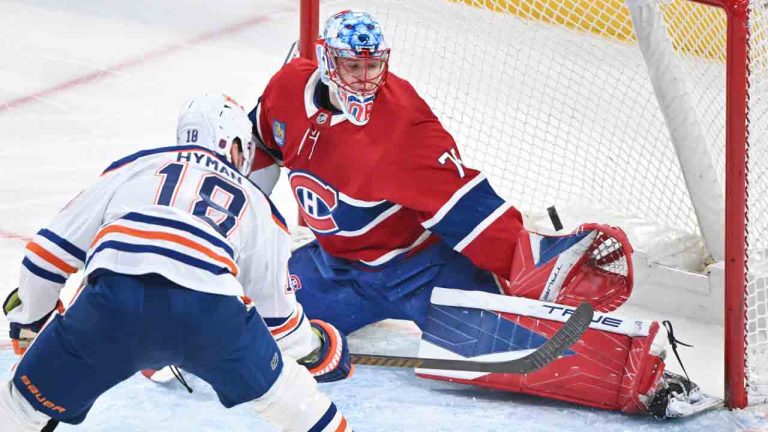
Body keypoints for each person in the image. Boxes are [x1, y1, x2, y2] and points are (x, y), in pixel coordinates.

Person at [245, 9, 710, 417]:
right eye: (353, 66)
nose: (365, 79)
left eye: (373, 66)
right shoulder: (288, 87)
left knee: (515, 350)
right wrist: (242, 239)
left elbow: (470, 209)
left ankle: (646, 378)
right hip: (336, 268)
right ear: (327, 61)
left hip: (422, 270)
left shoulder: (403, 131)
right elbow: (261, 146)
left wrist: (532, 259)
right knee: (249, 315)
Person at [0, 94, 352, 431]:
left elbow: (46, 255)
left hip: (112, 306)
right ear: (233, 145)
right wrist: (319, 349)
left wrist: (30, 320)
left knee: (18, 408)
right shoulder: (258, 204)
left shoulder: (135, 165)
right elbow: (279, 322)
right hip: (211, 318)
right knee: (293, 401)